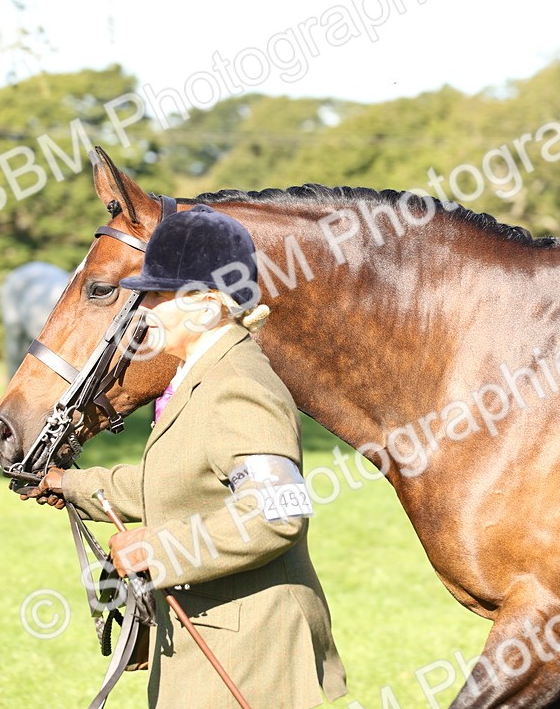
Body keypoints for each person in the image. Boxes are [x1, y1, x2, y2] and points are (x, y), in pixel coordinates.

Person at [24, 206, 347, 709]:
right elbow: (173, 481)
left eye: (155, 295)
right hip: (210, 635)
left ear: (205, 306)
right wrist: (69, 484)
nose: (142, 310)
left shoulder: (238, 386)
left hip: (252, 651)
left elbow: (275, 514)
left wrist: (158, 550)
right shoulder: (201, 374)